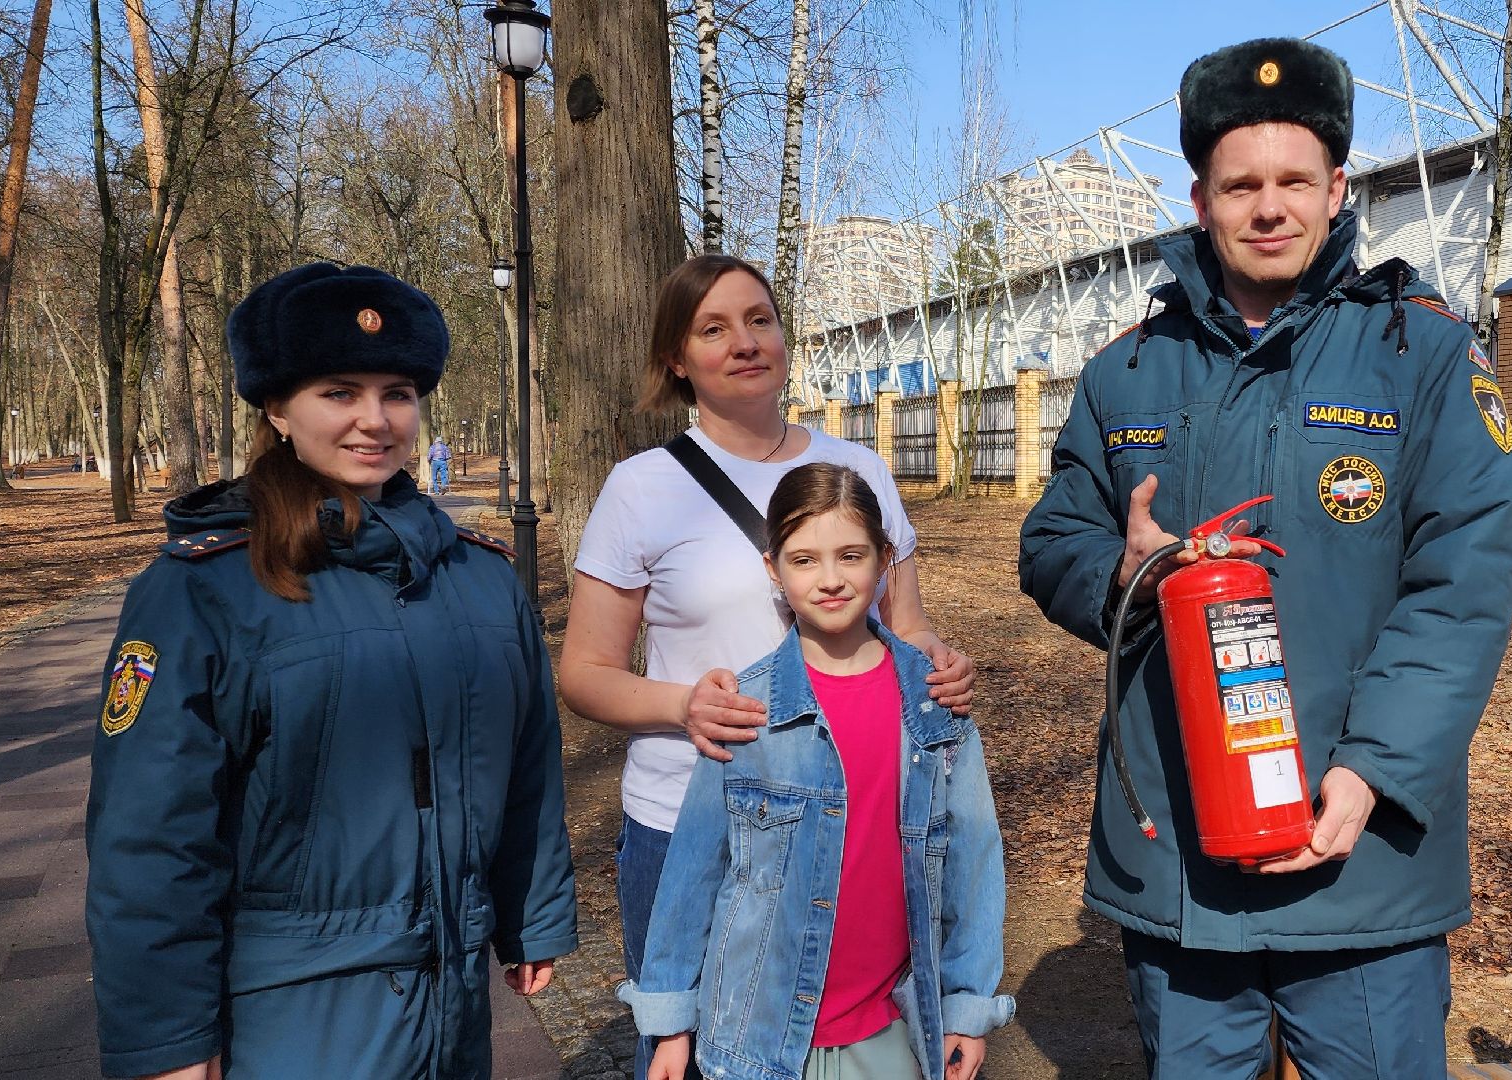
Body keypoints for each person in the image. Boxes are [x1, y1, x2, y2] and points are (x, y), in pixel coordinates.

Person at [1018, 37, 1512, 1077]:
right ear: (1199, 198)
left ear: (1339, 190)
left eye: (1296, 180)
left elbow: (1460, 588)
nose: (1269, 207)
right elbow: (1055, 537)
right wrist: (1127, 573)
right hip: (1182, 870)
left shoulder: (1421, 356)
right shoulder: (1128, 371)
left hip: (1362, 867)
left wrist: (1373, 771)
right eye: (1240, 184)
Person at [85, 262, 577, 1079]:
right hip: (292, 1012)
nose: (374, 420)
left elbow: (526, 761)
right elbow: (151, 834)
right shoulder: (201, 590)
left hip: (453, 998)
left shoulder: (482, 579)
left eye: (397, 393)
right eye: (340, 392)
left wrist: (531, 914)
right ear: (277, 408)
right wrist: (167, 1040)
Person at [557, 254, 976, 1079]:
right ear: (676, 358)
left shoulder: (862, 469)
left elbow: (907, 628)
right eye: (712, 329)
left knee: (854, 1041)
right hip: (689, 823)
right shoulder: (642, 488)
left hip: (854, 815)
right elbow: (584, 672)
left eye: (759, 320)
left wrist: (942, 667)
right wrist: (686, 707)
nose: (744, 342)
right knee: (699, 1052)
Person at [619, 463, 1012, 1080]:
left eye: (850, 555)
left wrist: (967, 1005)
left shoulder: (935, 706)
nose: (830, 579)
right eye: (804, 560)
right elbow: (694, 871)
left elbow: (974, 860)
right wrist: (670, 1022)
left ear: (885, 561)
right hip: (756, 1033)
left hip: (892, 1031)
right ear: (773, 569)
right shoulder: (745, 710)